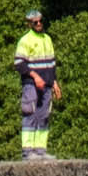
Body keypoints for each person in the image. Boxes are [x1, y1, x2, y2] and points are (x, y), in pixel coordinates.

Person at [13, 9, 59, 162]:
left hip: (46, 84)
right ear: (29, 24)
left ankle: (41, 150)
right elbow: (19, 64)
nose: (39, 24)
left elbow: (51, 63)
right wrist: (35, 77)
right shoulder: (25, 40)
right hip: (31, 85)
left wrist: (55, 82)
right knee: (30, 114)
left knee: (44, 116)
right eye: (35, 22)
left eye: (40, 21)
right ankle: (28, 151)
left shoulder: (47, 39)